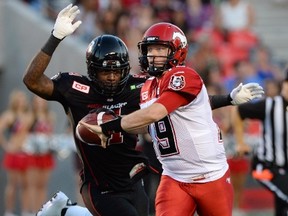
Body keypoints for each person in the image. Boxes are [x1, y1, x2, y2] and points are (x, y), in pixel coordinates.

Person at [23, 4, 263, 216]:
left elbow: (184, 103)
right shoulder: (76, 87)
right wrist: (55, 37)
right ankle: (68, 211)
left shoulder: (141, 86)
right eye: (105, 72)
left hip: (132, 176)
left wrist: (228, 99)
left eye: (117, 71)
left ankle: (68, 211)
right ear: (91, 70)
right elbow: (32, 81)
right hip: (100, 182)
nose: (112, 77)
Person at [232, 70, 288, 216]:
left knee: (282, 205)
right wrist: (240, 142)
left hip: (285, 170)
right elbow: (238, 111)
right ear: (285, 85)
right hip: (265, 168)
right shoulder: (271, 105)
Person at [0, 90, 34, 216]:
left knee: (26, 184)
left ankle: (26, 211)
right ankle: (9, 211)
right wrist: (6, 146)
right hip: (13, 152)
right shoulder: (9, 115)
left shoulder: (29, 115)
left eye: (23, 99)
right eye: (19, 99)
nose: (22, 101)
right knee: (12, 184)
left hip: (26, 152)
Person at [25, 95, 56, 214]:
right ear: (33, 103)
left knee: (43, 185)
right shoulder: (29, 116)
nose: (40, 103)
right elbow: (23, 134)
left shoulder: (50, 116)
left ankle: (41, 211)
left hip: (45, 154)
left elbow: (51, 134)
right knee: (32, 185)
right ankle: (32, 210)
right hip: (33, 154)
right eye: (37, 101)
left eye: (42, 101)